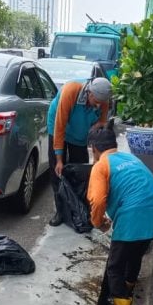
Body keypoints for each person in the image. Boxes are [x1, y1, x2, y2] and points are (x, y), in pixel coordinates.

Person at [86, 127, 153, 305]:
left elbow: (97, 200)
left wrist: (97, 222)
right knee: (134, 255)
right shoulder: (131, 159)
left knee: (114, 268)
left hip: (134, 215)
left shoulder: (101, 165)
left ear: (94, 149)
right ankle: (128, 289)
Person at [47, 77, 111, 227]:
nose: (98, 105)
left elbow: (102, 123)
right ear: (89, 92)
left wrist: (97, 154)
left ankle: (78, 209)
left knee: (80, 169)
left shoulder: (103, 100)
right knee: (57, 172)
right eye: (96, 101)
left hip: (80, 132)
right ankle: (60, 212)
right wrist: (59, 159)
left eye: (101, 103)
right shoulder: (71, 92)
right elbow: (60, 126)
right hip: (59, 127)